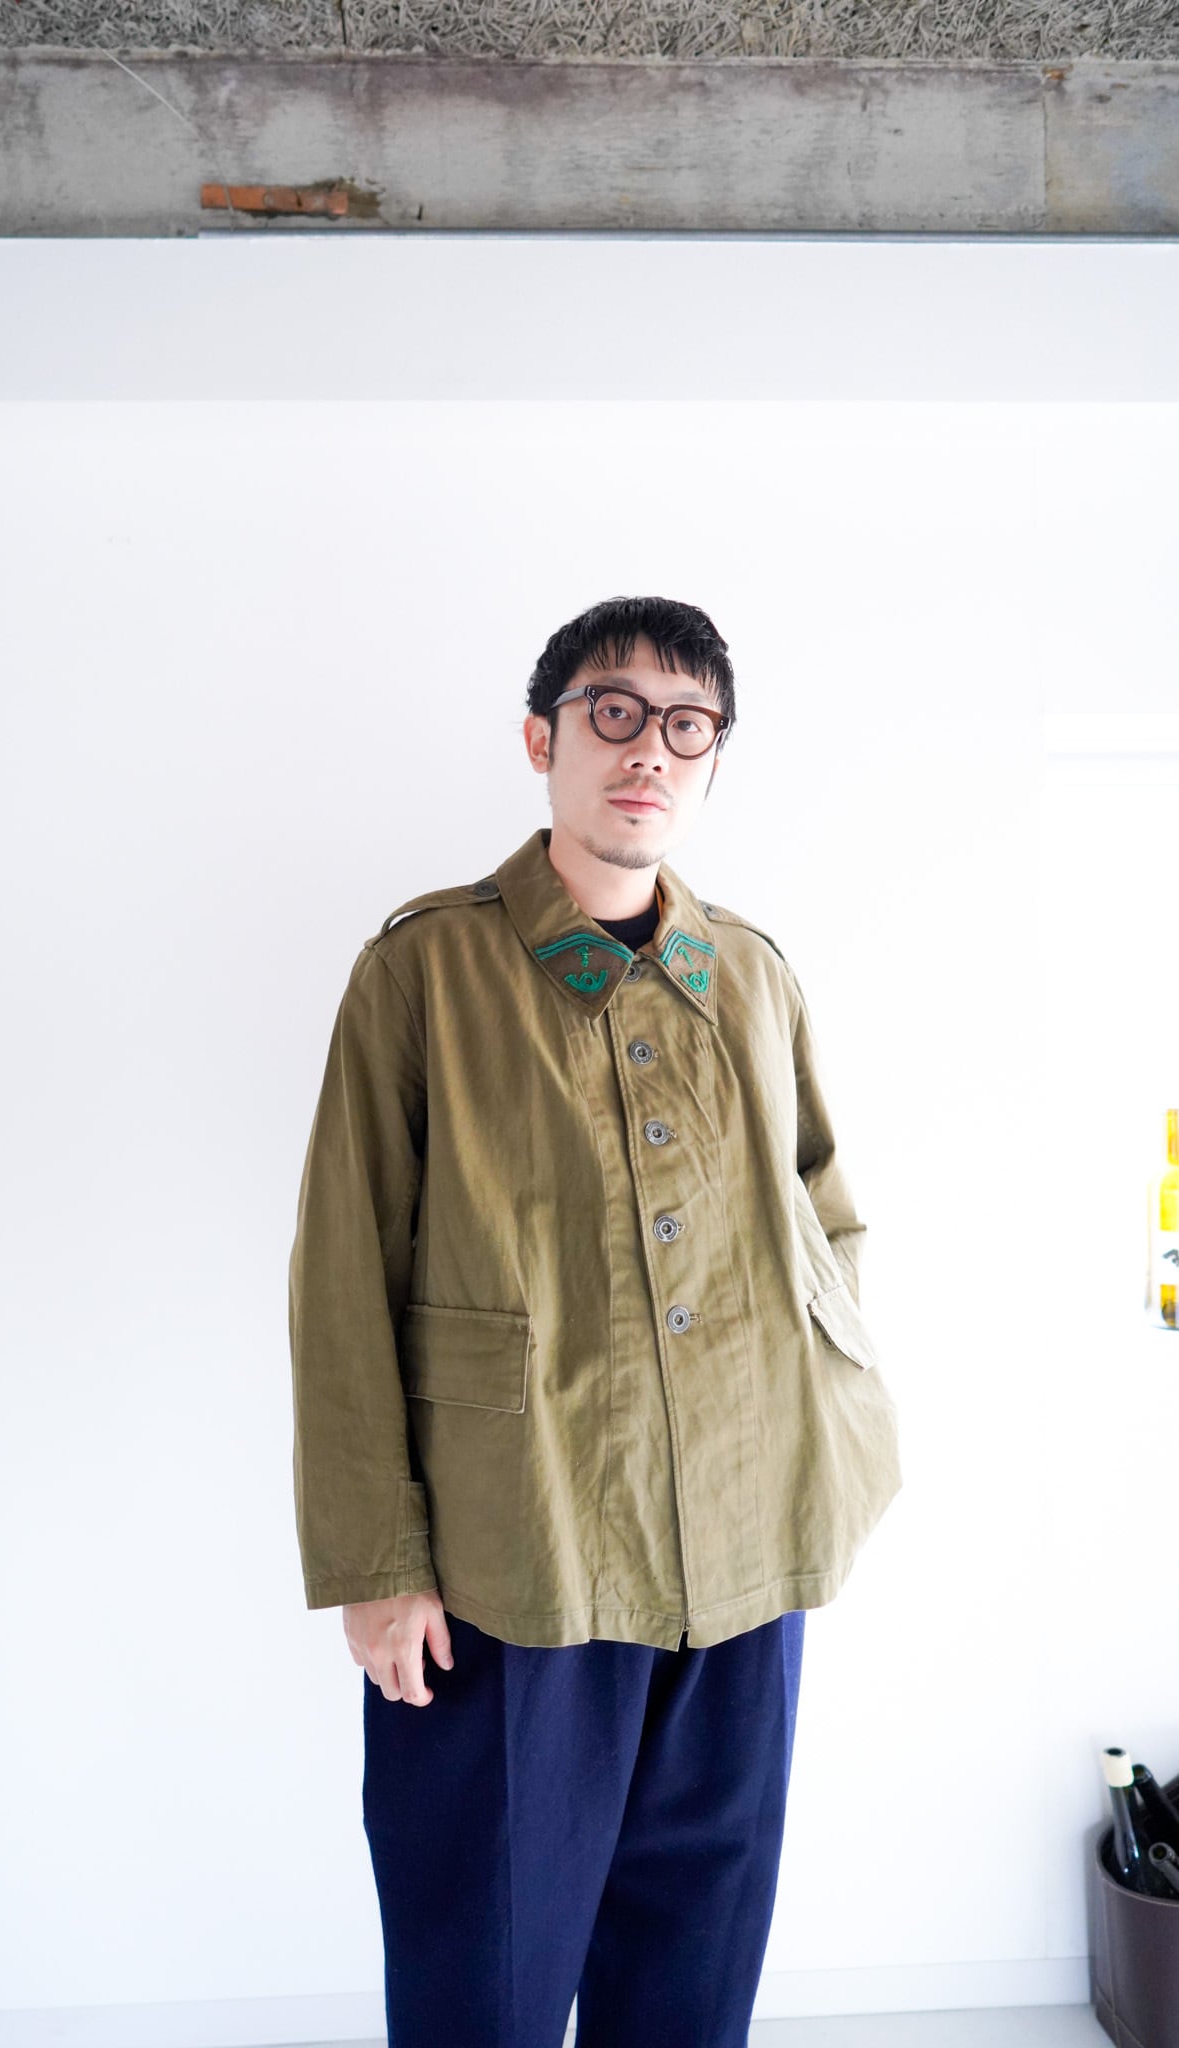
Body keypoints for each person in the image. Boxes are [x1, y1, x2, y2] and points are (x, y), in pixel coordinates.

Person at [287, 594, 902, 2048]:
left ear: (711, 760)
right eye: (614, 714)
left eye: (687, 727)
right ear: (542, 740)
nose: (649, 752)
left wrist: (812, 1446)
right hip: (517, 1556)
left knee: (695, 1962)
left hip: (744, 1556)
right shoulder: (424, 971)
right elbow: (342, 1278)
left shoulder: (748, 972)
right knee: (484, 1971)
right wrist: (379, 1564)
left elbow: (825, 1221)